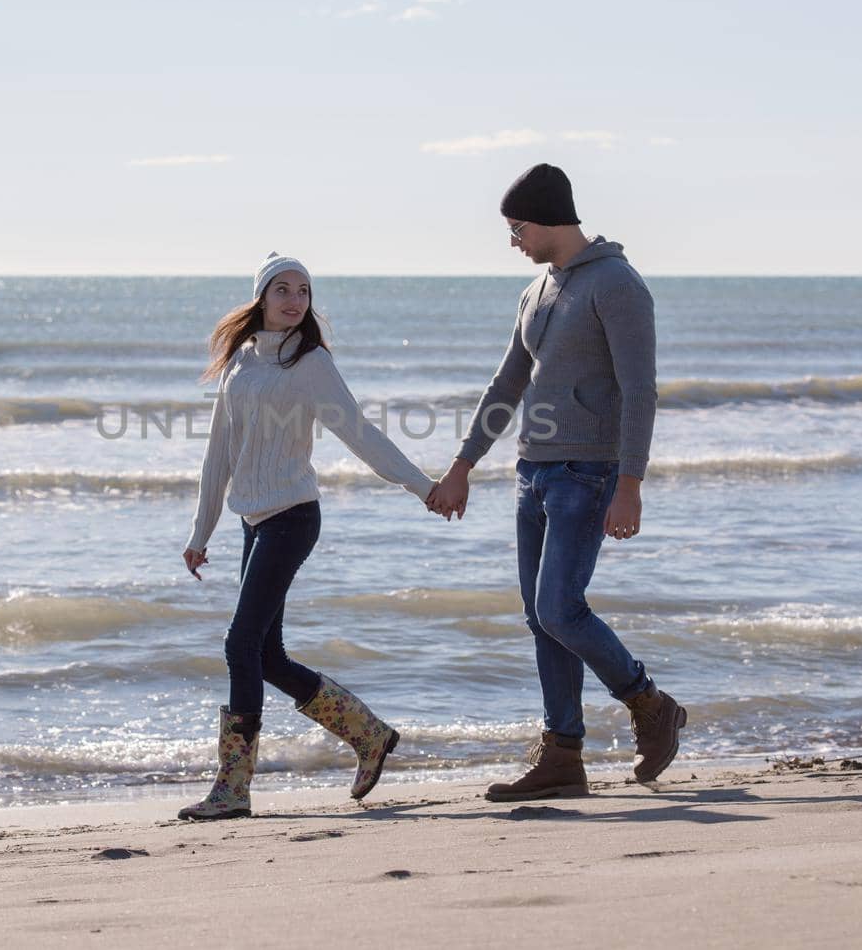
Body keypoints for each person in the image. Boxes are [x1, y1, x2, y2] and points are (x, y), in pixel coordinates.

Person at [427, 163, 687, 801]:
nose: (512, 240)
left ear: (546, 219)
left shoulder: (617, 284)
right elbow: (508, 383)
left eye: (516, 227)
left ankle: (650, 705)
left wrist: (630, 483)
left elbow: (640, 391)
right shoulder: (536, 290)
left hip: (587, 474)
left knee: (558, 608)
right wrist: (463, 465)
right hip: (533, 472)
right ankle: (563, 756)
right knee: (542, 620)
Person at [178, 252, 443, 820]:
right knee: (265, 655)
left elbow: (361, 434)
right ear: (262, 298)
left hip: (293, 518)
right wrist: (202, 532)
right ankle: (368, 735)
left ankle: (233, 788)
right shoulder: (240, 363)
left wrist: (422, 487)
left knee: (238, 645)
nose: (295, 300)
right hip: (254, 521)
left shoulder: (312, 362)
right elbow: (218, 455)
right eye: (283, 290)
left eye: (303, 291)